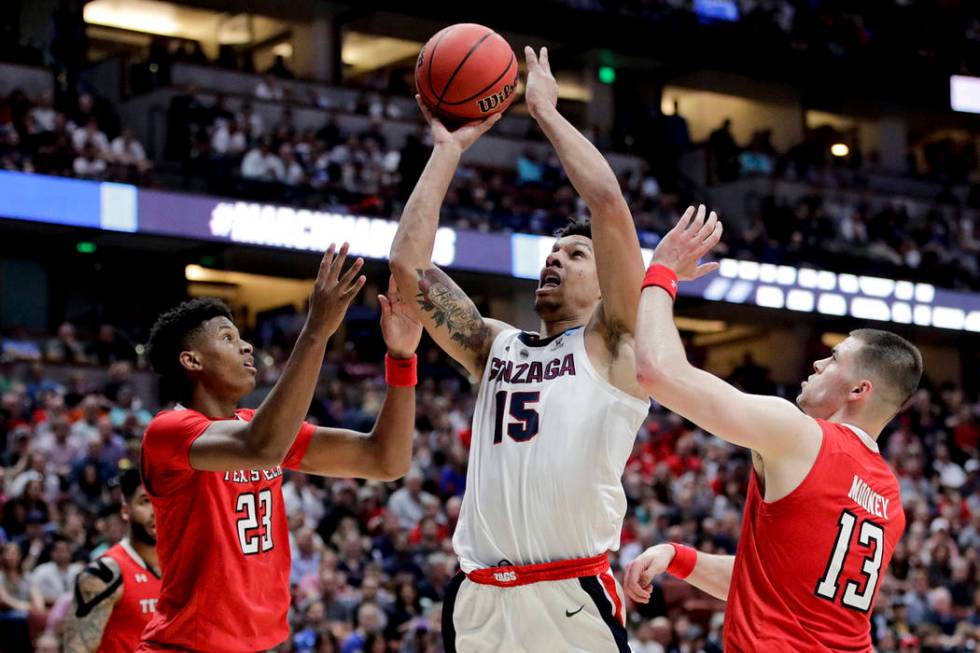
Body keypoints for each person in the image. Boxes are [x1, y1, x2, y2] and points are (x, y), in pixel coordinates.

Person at [390, 47, 649, 652]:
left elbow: (609, 206)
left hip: (567, 595)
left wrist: (546, 113)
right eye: (552, 254)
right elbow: (408, 269)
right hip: (479, 596)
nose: (555, 257)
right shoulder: (495, 346)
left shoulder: (617, 344)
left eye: (575, 255)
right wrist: (447, 152)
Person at [624, 205, 921, 651]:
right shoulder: (888, 496)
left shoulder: (800, 436)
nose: (818, 363)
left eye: (834, 358)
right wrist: (680, 557)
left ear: (860, 389)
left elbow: (657, 372)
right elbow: (774, 588)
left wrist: (662, 271)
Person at [136, 244, 421, 652]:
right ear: (192, 361)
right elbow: (263, 447)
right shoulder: (168, 432)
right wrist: (317, 330)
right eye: (227, 338)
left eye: (242, 337)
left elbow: (385, 459)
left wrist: (401, 358)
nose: (246, 346)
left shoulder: (257, 426)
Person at [63, 469, 160, 652]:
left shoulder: (183, 568)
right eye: (145, 502)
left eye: (162, 501)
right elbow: (76, 648)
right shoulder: (104, 573)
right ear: (125, 510)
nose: (156, 511)